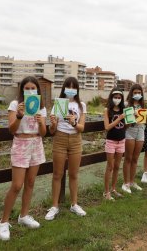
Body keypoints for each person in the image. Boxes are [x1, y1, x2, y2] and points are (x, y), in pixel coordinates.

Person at [0, 76, 47, 241]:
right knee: (17, 185)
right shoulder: (14, 105)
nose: (30, 91)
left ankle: (24, 215)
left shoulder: (41, 106)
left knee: (31, 182)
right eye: (27, 88)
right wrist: (19, 116)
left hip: (36, 144)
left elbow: (44, 133)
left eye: (33, 88)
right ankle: (3, 221)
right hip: (20, 143)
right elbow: (11, 130)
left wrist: (40, 122)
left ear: (38, 90)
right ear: (22, 90)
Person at [45, 77, 87, 220]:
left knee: (74, 174)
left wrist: (74, 122)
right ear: (63, 88)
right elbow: (51, 130)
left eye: (73, 87)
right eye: (68, 87)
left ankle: (74, 204)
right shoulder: (58, 103)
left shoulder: (81, 105)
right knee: (57, 174)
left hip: (76, 140)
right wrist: (53, 123)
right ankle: (54, 206)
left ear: (77, 89)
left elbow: (81, 128)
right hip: (60, 139)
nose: (71, 89)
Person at [121, 84, 145, 194]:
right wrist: (132, 117)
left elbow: (144, 121)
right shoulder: (126, 105)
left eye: (139, 93)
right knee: (128, 158)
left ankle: (132, 181)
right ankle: (125, 183)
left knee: (135, 159)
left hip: (141, 131)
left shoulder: (143, 105)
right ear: (131, 93)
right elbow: (125, 123)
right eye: (135, 93)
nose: (137, 95)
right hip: (130, 131)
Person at [103, 88, 126, 200]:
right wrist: (119, 119)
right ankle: (106, 192)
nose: (117, 99)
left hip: (121, 141)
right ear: (111, 97)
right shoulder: (107, 110)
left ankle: (113, 189)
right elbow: (107, 127)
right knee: (110, 167)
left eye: (119, 97)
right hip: (111, 141)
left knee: (117, 166)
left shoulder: (124, 110)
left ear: (122, 99)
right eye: (115, 97)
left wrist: (132, 119)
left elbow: (127, 126)